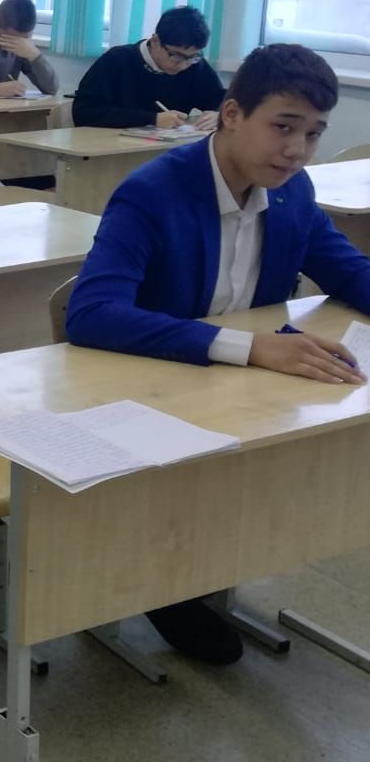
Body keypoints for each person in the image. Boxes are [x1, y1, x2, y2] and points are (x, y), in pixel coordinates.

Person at [67, 44, 370, 666]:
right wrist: (250, 347)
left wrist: (252, 354)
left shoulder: (291, 191)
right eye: (283, 127)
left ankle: (204, 564)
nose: (297, 149)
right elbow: (92, 313)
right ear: (232, 114)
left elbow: (349, 271)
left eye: (314, 134)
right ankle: (164, 578)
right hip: (148, 384)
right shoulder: (153, 191)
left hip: (235, 390)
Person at [72, 5, 225, 129]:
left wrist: (218, 115)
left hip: (165, 149)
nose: (184, 65)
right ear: (155, 41)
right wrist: (153, 119)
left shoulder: (194, 64)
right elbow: (84, 112)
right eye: (176, 56)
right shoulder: (117, 60)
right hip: (111, 150)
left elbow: (220, 99)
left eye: (192, 57)